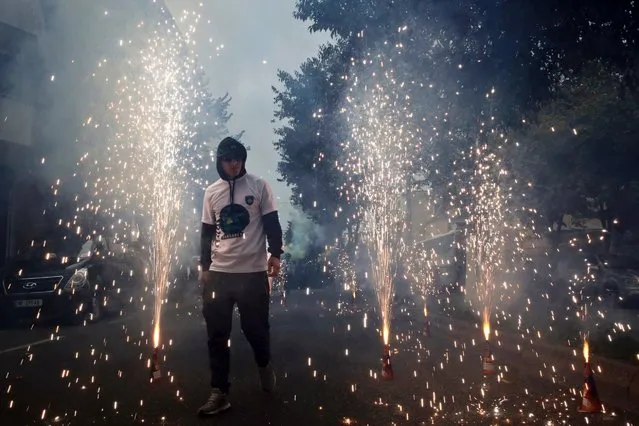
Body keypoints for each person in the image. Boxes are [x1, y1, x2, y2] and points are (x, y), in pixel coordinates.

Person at [198, 136, 283, 416]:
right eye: (228, 159)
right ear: (220, 162)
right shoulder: (211, 192)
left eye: (237, 159)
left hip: (252, 274)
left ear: (243, 159)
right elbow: (207, 233)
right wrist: (205, 267)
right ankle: (219, 392)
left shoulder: (259, 186)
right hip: (220, 274)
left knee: (255, 330)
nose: (233, 164)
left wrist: (276, 254)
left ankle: (264, 363)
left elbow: (272, 223)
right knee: (217, 335)